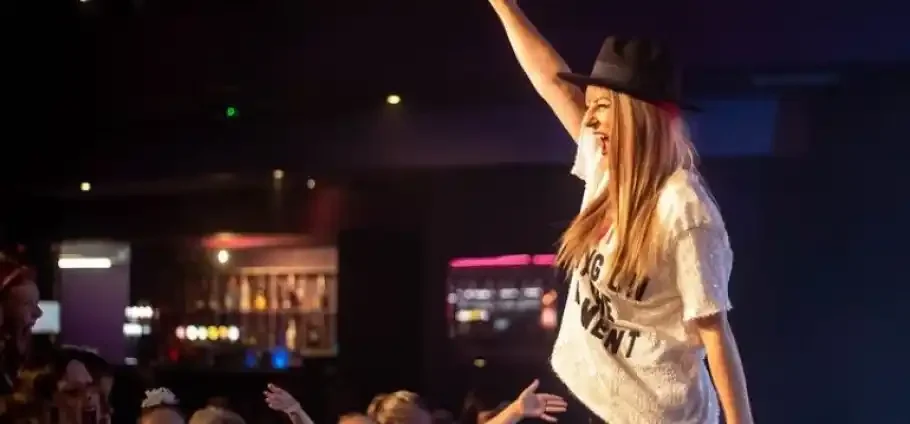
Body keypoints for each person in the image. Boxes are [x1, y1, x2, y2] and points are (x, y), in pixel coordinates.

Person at [487, 1, 753, 423]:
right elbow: (554, 85)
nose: (589, 121)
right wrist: (504, 6)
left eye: (601, 108)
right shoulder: (608, 168)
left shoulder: (683, 209)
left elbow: (714, 333)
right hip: (599, 397)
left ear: (635, 117)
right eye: (589, 107)